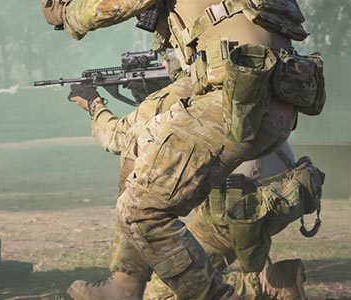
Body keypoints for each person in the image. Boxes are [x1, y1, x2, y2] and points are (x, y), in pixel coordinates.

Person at [40, 0, 325, 300]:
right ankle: (124, 284)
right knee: (136, 145)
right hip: (269, 102)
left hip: (228, 102)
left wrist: (62, 9)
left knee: (143, 210)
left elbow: (98, 11)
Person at [67, 77, 323, 300]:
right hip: (275, 194)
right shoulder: (231, 87)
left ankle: (271, 283)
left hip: (236, 207)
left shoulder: (188, 90)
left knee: (166, 288)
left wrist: (94, 104)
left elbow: (118, 136)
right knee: (171, 256)